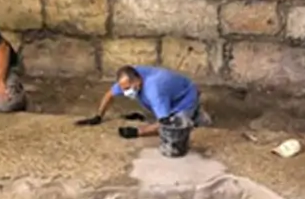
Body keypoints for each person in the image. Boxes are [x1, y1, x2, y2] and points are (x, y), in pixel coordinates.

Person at [76, 65, 211, 157]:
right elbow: (109, 95)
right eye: (123, 89)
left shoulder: (154, 90)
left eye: (128, 88)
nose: (125, 92)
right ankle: (188, 112)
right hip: (170, 93)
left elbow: (164, 124)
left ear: (138, 81)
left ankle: (196, 115)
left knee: (175, 128)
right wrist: (98, 116)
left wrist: (137, 132)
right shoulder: (128, 77)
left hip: (185, 98)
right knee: (158, 111)